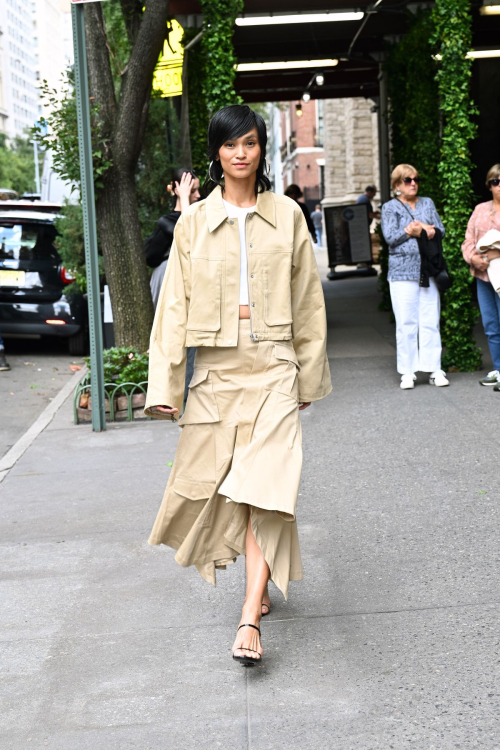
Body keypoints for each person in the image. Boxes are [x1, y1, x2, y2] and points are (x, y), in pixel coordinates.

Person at [145, 104, 332, 666]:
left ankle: (249, 614)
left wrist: (307, 371)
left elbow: (308, 301)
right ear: (218, 153)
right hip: (219, 371)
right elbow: (173, 305)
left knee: (268, 487)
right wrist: (165, 384)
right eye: (231, 145)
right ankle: (260, 577)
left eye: (250, 143)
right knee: (221, 488)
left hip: (274, 363)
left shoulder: (288, 216)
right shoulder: (194, 222)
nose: (242, 153)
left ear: (260, 149)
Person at [381, 164, 449, 390]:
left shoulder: (427, 203)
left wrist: (417, 229)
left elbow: (439, 230)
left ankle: (434, 369)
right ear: (397, 184)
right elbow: (390, 237)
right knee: (406, 323)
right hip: (402, 273)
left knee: (430, 320)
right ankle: (407, 372)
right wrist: (410, 231)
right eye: (408, 180)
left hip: (428, 269)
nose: (413, 184)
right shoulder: (390, 207)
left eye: (416, 179)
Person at [462, 164, 500, 389]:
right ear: (489, 185)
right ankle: (497, 368)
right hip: (483, 274)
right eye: (495, 181)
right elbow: (467, 240)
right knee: (491, 324)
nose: (499, 186)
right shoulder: (480, 209)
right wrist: (472, 259)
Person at [145, 169, 201, 309]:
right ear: (179, 192)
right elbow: (187, 233)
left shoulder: (201, 216)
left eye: (197, 190)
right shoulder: (168, 222)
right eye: (192, 191)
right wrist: (184, 198)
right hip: (167, 277)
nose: (198, 195)